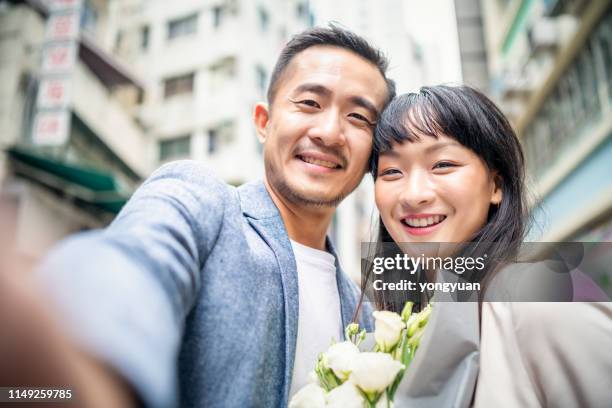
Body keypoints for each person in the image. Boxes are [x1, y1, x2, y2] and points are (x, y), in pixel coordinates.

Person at [32, 25, 396, 408]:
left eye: (358, 117)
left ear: (375, 155)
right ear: (263, 122)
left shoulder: (363, 311)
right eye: (309, 103)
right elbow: (130, 267)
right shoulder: (202, 202)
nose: (329, 132)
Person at [369, 85, 612, 406]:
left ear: (495, 185)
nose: (413, 194)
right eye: (391, 171)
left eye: (442, 165)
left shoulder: (541, 300)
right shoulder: (391, 331)